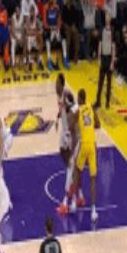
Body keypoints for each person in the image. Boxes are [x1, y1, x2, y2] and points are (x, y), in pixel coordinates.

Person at [69, 89, 100, 222]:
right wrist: (89, 126)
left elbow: (71, 126)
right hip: (92, 145)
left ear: (80, 99)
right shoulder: (91, 107)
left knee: (77, 171)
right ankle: (93, 211)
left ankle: (74, 202)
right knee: (92, 178)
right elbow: (98, 125)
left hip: (83, 144)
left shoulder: (78, 110)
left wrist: (76, 123)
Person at [55, 74, 81, 215]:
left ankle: (68, 201)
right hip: (65, 134)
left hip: (72, 135)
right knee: (64, 155)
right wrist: (58, 116)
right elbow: (62, 110)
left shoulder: (67, 94)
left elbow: (76, 108)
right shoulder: (59, 96)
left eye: (57, 83)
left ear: (61, 84)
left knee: (71, 168)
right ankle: (77, 194)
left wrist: (74, 127)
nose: (55, 86)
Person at [43, 0, 68, 71]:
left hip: (56, 29)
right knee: (47, 40)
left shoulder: (57, 7)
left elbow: (59, 20)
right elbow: (44, 22)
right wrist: (50, 27)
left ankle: (65, 58)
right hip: (50, 29)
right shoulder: (45, 7)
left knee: (63, 38)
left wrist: (58, 27)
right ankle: (49, 61)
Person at [95, 16, 115, 109]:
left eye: (108, 18)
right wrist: (99, 58)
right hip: (103, 58)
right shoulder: (102, 30)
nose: (107, 19)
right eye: (106, 18)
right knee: (100, 82)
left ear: (110, 19)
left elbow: (113, 47)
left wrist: (112, 62)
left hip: (109, 58)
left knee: (109, 82)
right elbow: (100, 44)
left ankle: (107, 102)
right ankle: (98, 101)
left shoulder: (113, 31)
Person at [25, 7, 43, 71]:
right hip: (30, 37)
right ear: (29, 13)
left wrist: (37, 33)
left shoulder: (37, 20)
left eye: (33, 12)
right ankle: (30, 62)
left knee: (41, 38)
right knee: (27, 39)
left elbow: (41, 30)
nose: (32, 13)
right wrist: (35, 32)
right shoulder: (27, 20)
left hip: (35, 37)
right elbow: (27, 32)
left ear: (34, 13)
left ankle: (39, 60)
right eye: (31, 12)